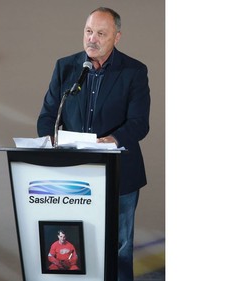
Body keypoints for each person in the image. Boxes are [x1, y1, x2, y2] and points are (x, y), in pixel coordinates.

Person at [37, 7, 150, 281]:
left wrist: (112, 140)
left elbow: (139, 123)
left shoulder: (133, 71)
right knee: (76, 243)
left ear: (117, 37)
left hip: (120, 175)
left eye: (101, 33)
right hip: (73, 175)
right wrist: (51, 140)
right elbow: (48, 115)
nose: (92, 39)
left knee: (120, 247)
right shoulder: (66, 67)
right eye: (89, 31)